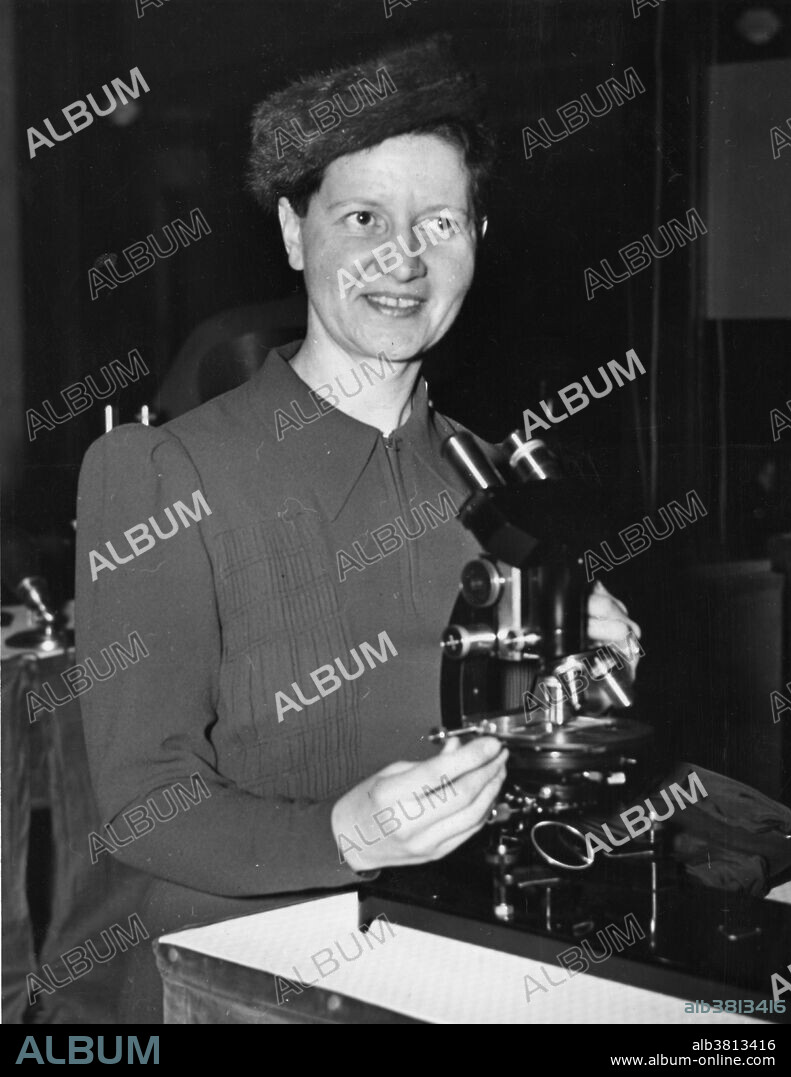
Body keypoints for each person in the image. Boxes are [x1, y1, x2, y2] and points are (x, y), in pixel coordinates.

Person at [74, 36, 640, 1023]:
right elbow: (141, 805)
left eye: (440, 222)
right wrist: (343, 836)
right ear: (295, 232)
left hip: (447, 961)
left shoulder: (489, 474)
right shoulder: (160, 471)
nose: (402, 259)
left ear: (477, 235)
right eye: (364, 217)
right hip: (216, 983)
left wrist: (583, 679)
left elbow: (511, 743)